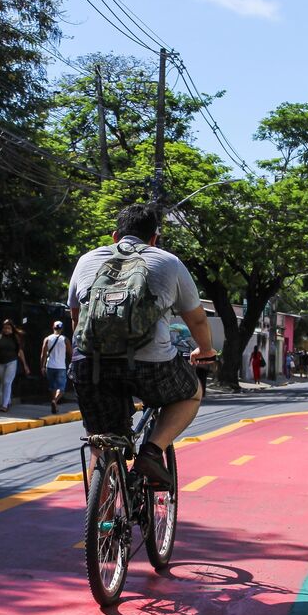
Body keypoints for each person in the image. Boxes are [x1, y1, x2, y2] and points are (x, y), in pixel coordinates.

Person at [68, 203, 216, 490]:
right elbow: (197, 320)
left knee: (101, 442)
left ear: (115, 236)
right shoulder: (169, 262)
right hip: (152, 366)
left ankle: (103, 524)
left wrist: (89, 357)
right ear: (154, 239)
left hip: (91, 365)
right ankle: (151, 452)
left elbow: (77, 320)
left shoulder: (86, 261)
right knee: (192, 393)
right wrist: (205, 350)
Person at [0, 319, 30, 412]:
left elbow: (20, 352)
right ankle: (8, 400)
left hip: (12, 362)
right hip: (0, 363)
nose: (6, 330)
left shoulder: (16, 338)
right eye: (5, 328)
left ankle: (4, 405)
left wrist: (25, 365)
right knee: (4, 383)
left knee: (7, 382)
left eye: (8, 328)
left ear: (12, 328)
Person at [40, 320, 72, 414]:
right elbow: (71, 353)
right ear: (62, 329)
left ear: (53, 328)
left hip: (50, 366)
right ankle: (55, 401)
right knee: (61, 388)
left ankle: (55, 404)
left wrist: (42, 366)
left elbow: (43, 355)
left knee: (52, 387)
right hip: (61, 367)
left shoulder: (47, 339)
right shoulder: (65, 339)